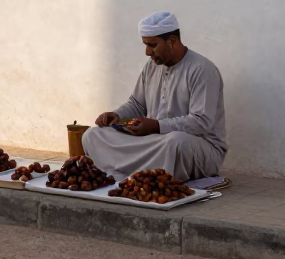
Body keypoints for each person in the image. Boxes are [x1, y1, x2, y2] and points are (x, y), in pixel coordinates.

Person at [82, 11, 227, 182]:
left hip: (198, 147)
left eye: (152, 45)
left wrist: (157, 126)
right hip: (155, 142)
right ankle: (140, 175)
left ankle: (144, 174)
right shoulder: (151, 67)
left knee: (175, 142)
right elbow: (137, 104)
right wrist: (117, 115)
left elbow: (201, 122)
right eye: (145, 45)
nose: (147, 52)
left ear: (172, 41)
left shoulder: (202, 70)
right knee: (93, 135)